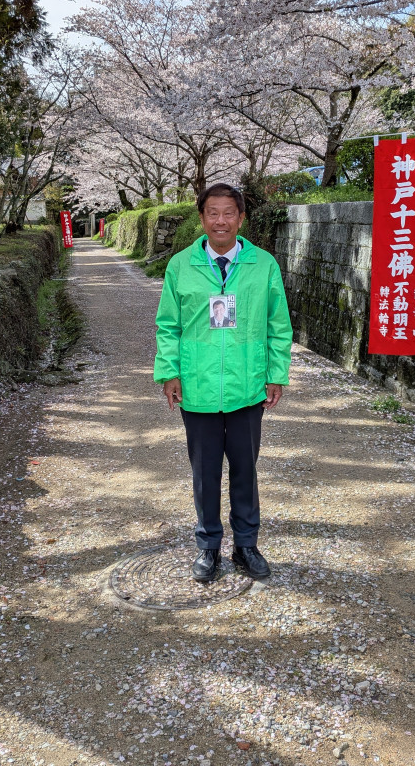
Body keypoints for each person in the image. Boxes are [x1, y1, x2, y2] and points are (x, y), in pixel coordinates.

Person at [154, 182, 293, 582]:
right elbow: (168, 325)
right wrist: (170, 372)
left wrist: (275, 373)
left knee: (245, 469)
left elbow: (277, 324)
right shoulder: (180, 266)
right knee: (205, 472)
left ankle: (246, 545)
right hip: (197, 386)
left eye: (228, 213)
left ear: (241, 218)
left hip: (247, 385)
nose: (220, 221)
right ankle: (208, 547)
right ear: (202, 218)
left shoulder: (263, 264)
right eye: (212, 213)